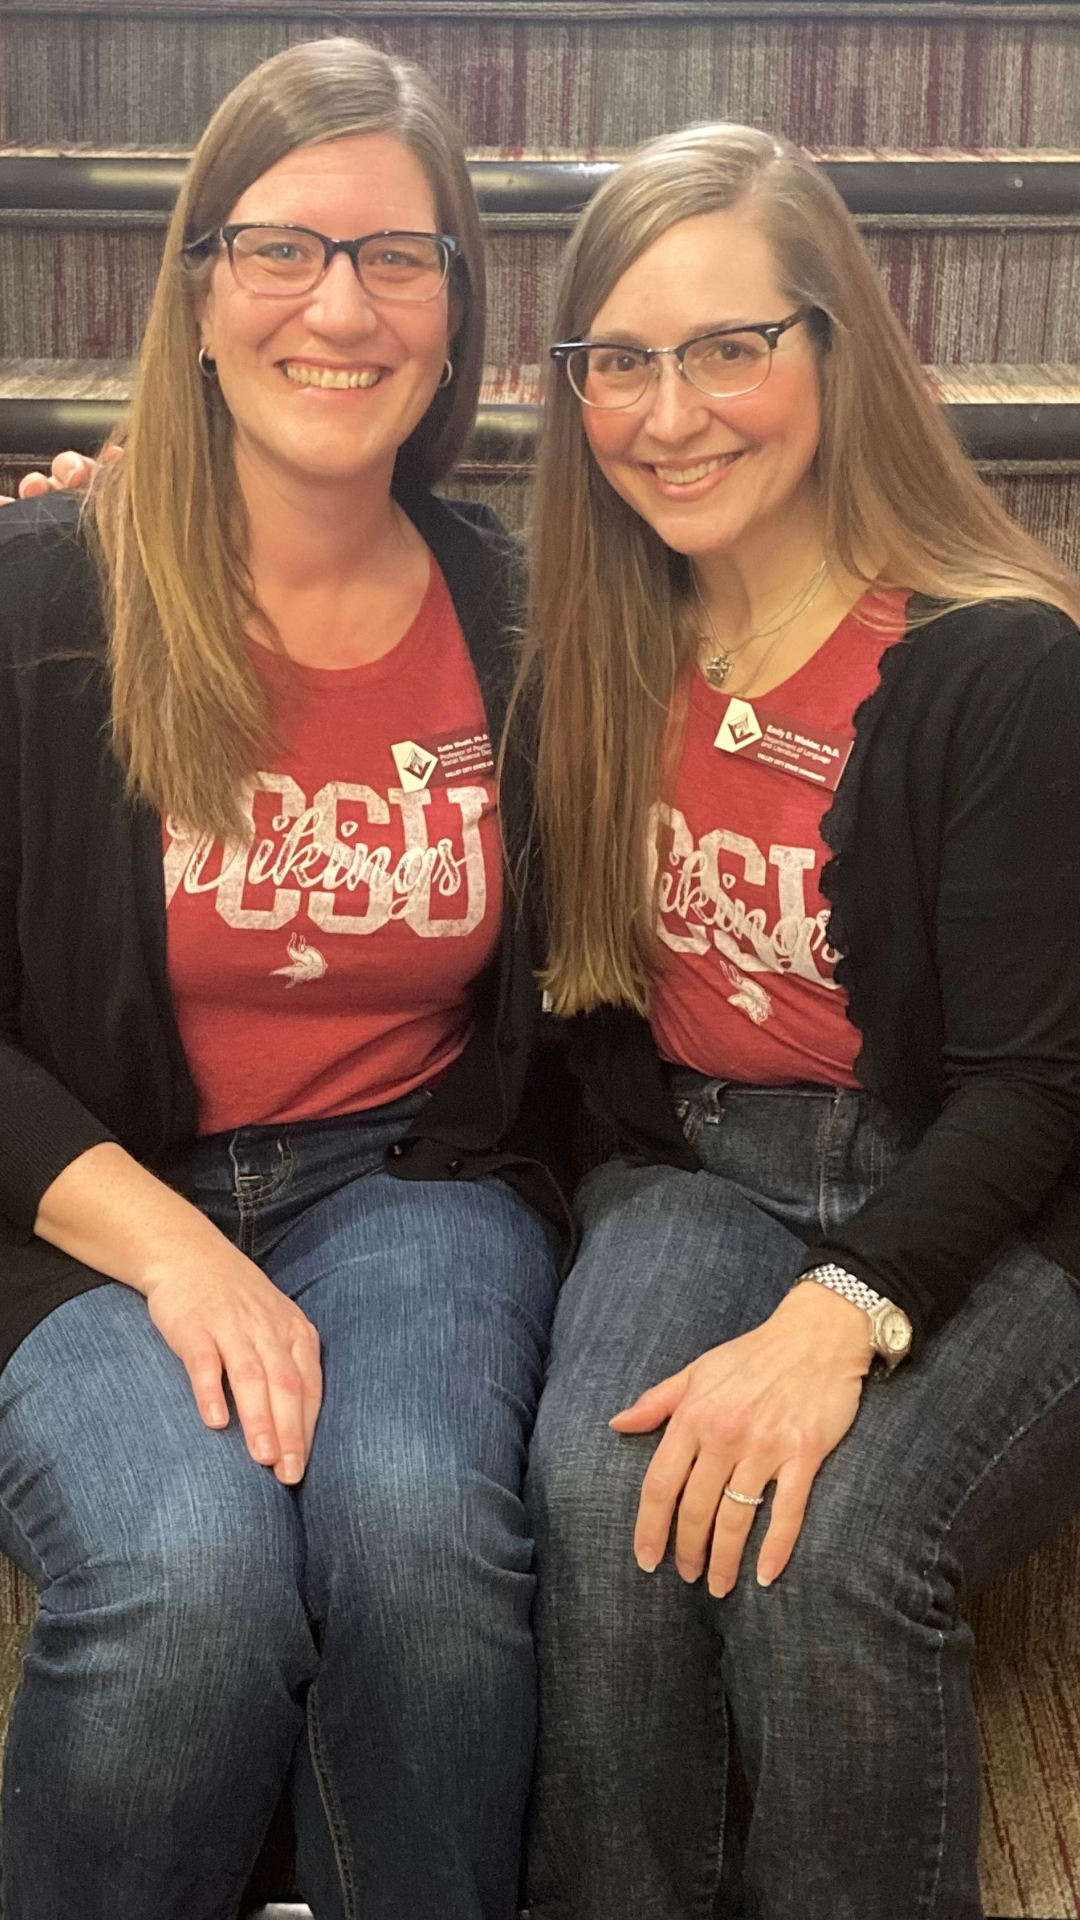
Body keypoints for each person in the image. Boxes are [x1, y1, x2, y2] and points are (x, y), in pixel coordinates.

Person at [0, 37, 570, 1920]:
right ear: (200, 290)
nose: (342, 306)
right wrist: (176, 1251)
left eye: (400, 255)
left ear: (458, 304)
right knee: (190, 1588)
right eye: (282, 250)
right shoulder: (44, 595)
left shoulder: (518, 614)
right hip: (80, 1207)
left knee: (418, 1541)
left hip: (407, 1179)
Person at [520, 122, 1080, 1920]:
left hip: (989, 1187)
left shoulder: (998, 662)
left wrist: (844, 1317)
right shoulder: (597, 642)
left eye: (727, 349)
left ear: (835, 346)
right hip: (699, 1160)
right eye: (619, 360)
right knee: (608, 1510)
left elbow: (1038, 1079)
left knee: (817, 1549)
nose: (667, 413)